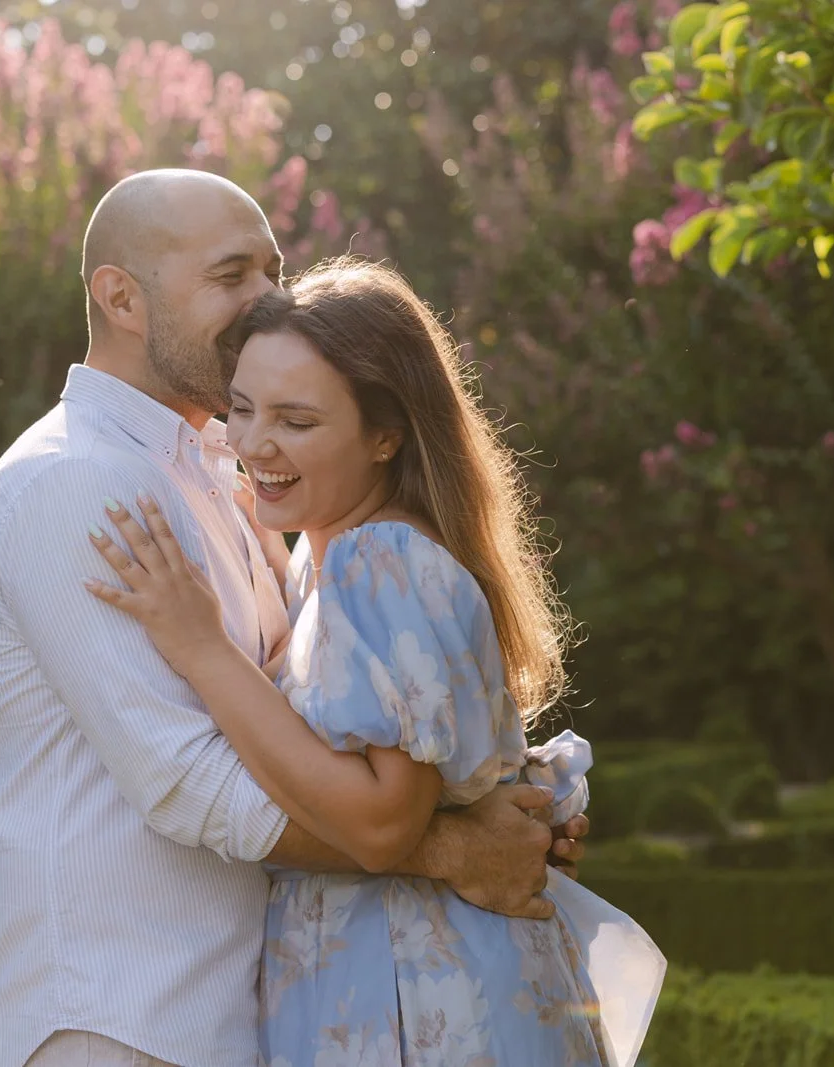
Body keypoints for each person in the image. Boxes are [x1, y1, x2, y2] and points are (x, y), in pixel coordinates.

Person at [0, 169, 589, 1067]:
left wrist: (492, 791)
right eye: (231, 275)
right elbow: (186, 778)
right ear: (120, 296)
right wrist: (451, 845)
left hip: (240, 1012)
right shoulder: (74, 481)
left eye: (272, 269)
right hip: (117, 1021)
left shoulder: (225, 472)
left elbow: (339, 700)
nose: (266, 300)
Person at [83, 258, 665, 1066]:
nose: (254, 443)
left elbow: (382, 824)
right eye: (244, 409)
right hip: (379, 982)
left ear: (386, 434)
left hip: (421, 997)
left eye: (298, 420)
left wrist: (200, 645)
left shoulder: (382, 560)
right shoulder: (334, 561)